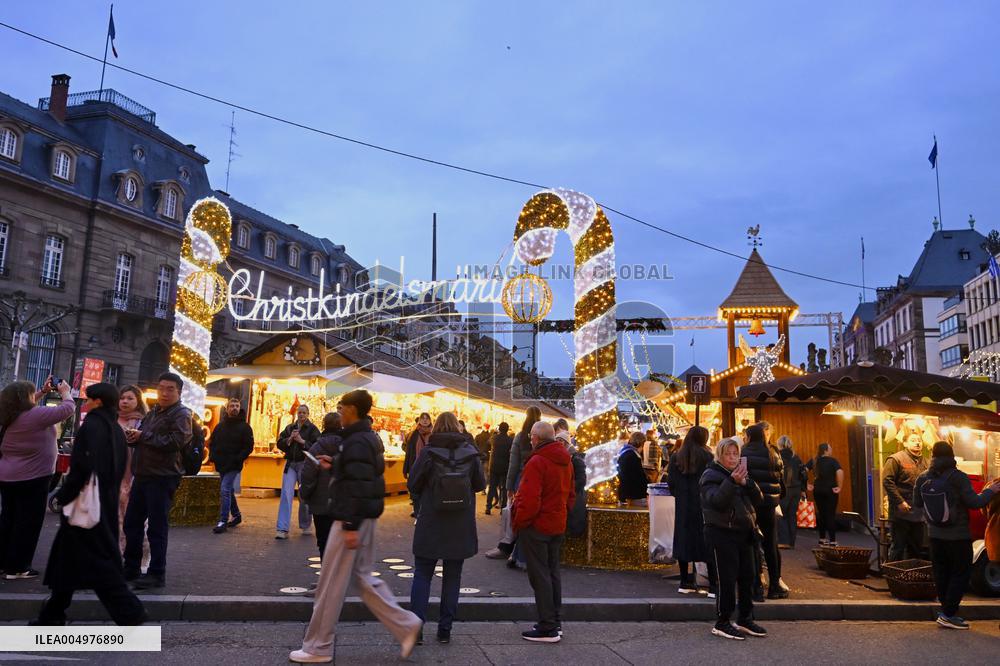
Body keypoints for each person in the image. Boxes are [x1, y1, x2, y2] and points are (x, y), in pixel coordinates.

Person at [290, 390, 421, 663]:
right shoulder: (364, 438)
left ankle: (318, 646)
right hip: (363, 517)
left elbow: (358, 484)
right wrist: (335, 464)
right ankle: (406, 625)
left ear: (353, 410)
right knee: (363, 579)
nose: (339, 411)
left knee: (330, 584)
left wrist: (349, 525)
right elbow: (360, 473)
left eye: (342, 407)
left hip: (351, 517)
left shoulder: (356, 440)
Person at [35, 383, 146, 625]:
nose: (84, 403)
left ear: (98, 402)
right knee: (70, 561)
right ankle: (53, 614)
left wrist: (65, 496)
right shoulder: (115, 430)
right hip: (101, 503)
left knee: (98, 565)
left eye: (88, 399)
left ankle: (130, 611)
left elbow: (83, 467)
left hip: (84, 506)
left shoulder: (93, 426)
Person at [407, 412, 486, 644]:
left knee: (422, 574)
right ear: (458, 428)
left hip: (431, 519)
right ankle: (445, 630)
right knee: (453, 576)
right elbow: (481, 484)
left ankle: (416, 630)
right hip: (460, 523)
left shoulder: (429, 452)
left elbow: (413, 482)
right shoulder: (470, 453)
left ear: (437, 428)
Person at [912, 441, 999, 630]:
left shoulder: (922, 478)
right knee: (961, 573)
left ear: (933, 456)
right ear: (952, 456)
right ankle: (948, 613)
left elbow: (917, 504)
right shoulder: (958, 477)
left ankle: (946, 612)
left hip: (934, 536)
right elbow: (974, 502)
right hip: (958, 536)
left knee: (941, 574)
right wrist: (989, 492)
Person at [0, 377, 75, 580]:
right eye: (32, 394)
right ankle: (18, 568)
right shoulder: (35, 416)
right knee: (27, 524)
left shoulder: (8, 414)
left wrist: (41, 391)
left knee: (8, 520)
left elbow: (26, 407)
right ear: (26, 398)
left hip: (7, 476)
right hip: (33, 477)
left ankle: (3, 562)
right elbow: (68, 408)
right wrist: (65, 391)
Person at [123, 372, 191, 590]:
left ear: (179, 392)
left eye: (170, 388)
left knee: (157, 527)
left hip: (162, 477)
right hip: (143, 474)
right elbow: (146, 437)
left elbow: (176, 442)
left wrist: (144, 437)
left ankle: (156, 573)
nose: (164, 392)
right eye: (161, 387)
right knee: (131, 523)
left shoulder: (181, 414)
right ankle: (131, 568)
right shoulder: (153, 412)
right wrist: (135, 438)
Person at [512, 421, 575, 643]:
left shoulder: (537, 461)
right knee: (552, 573)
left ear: (537, 438)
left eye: (531, 436)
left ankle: (547, 626)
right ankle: (555, 621)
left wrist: (519, 522)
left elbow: (529, 499)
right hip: (557, 523)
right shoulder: (566, 460)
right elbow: (571, 494)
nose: (530, 439)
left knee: (539, 576)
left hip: (537, 525)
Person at [700, 437, 767, 641]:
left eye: (735, 453)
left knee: (747, 577)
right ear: (720, 455)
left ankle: (745, 618)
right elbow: (716, 502)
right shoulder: (710, 475)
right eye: (728, 454)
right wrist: (731, 482)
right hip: (721, 533)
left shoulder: (741, 475)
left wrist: (748, 484)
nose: (732, 458)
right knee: (727, 579)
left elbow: (759, 500)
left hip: (744, 533)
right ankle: (722, 621)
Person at [484, 406, 542, 561]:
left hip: (520, 480)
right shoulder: (545, 437)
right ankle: (520, 551)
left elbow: (514, 463)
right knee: (531, 516)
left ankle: (506, 547)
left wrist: (510, 486)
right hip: (538, 482)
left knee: (513, 514)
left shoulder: (521, 437)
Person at [667, 426, 717, 596]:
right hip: (703, 505)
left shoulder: (676, 457)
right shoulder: (708, 457)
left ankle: (685, 582)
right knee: (707, 543)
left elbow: (671, 484)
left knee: (683, 540)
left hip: (683, 506)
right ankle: (714, 586)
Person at [742, 423, 786, 599]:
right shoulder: (773, 453)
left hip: (750, 506)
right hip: (769, 505)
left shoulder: (744, 453)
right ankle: (775, 585)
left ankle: (756, 586)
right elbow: (780, 479)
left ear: (749, 436)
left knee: (752, 544)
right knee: (770, 545)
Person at [299, 412, 342, 560]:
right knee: (339, 543)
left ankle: (326, 576)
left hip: (320, 502)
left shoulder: (317, 447)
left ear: (324, 425)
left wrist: (305, 494)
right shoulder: (347, 446)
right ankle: (338, 578)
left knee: (323, 541)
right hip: (341, 502)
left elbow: (307, 475)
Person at [208, 397, 254, 534]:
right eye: (232, 406)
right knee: (228, 490)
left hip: (234, 464)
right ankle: (237, 515)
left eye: (237, 405)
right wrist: (213, 457)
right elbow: (213, 442)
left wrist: (238, 458)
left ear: (240, 408)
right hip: (222, 464)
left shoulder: (245, 427)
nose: (234, 408)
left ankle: (223, 520)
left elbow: (248, 446)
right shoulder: (220, 426)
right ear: (227, 409)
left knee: (225, 489)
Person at [275, 404, 320, 540]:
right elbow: (279, 442)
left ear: (308, 414)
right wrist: (288, 440)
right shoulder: (290, 428)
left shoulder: (312, 429)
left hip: (305, 465)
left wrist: (302, 441)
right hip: (290, 464)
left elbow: (317, 447)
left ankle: (305, 525)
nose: (301, 415)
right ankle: (282, 528)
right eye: (299, 412)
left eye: (304, 413)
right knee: (286, 495)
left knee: (304, 495)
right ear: (296, 414)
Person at [883, 429, 928, 561]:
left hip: (918, 513)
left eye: (919, 440)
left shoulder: (926, 462)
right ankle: (892, 576)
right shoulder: (895, 459)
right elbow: (887, 481)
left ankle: (911, 576)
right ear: (905, 443)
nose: (917, 443)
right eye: (913, 440)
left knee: (916, 548)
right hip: (900, 512)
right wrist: (899, 502)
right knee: (898, 546)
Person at [806, 442, 843, 546]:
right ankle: (833, 541)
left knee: (821, 514)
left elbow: (803, 471)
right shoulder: (833, 461)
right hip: (830, 490)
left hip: (817, 490)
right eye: (830, 448)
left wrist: (806, 484)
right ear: (826, 450)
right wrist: (839, 486)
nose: (831, 450)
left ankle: (822, 539)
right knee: (830, 514)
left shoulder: (814, 461)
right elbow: (840, 472)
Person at [776, 435, 806, 549]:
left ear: (780, 444)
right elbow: (803, 474)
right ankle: (792, 541)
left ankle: (784, 541)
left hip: (784, 490)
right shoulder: (796, 457)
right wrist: (803, 489)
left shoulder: (778, 456)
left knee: (781, 515)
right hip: (796, 490)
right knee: (792, 515)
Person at [403, 413, 432, 517]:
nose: (424, 420)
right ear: (419, 420)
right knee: (415, 489)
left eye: (427, 418)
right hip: (415, 465)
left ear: (430, 420)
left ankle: (425, 511)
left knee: (427, 489)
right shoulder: (413, 434)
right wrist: (406, 468)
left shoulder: (434, 434)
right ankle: (417, 510)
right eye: (422, 418)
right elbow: (409, 453)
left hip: (430, 466)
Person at [485, 422, 512, 515]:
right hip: (505, 467)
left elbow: (488, 444)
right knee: (504, 488)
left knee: (492, 487)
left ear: (499, 429)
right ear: (507, 429)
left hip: (493, 466)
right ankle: (502, 508)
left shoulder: (494, 437)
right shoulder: (510, 440)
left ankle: (488, 507)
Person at [617, 432, 649, 507]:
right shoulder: (632, 455)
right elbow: (637, 476)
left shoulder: (625, 452)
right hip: (633, 494)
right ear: (641, 443)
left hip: (626, 492)